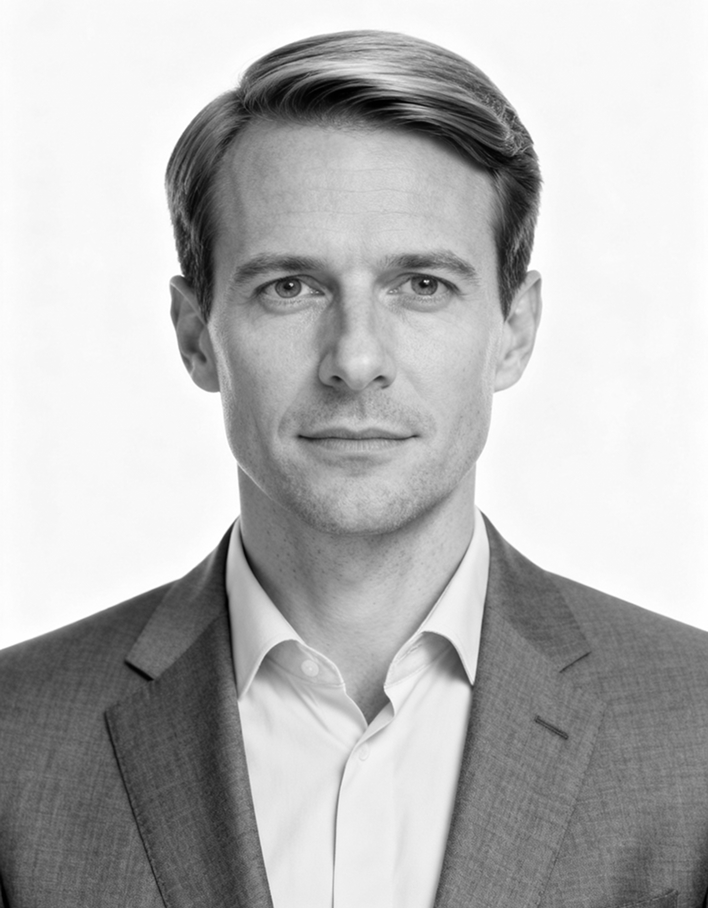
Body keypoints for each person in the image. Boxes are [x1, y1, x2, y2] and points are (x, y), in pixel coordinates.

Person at [1, 29, 706, 908]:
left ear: (515, 330)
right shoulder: (14, 744)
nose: (356, 359)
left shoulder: (696, 733)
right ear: (195, 336)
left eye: (422, 286)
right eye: (290, 287)